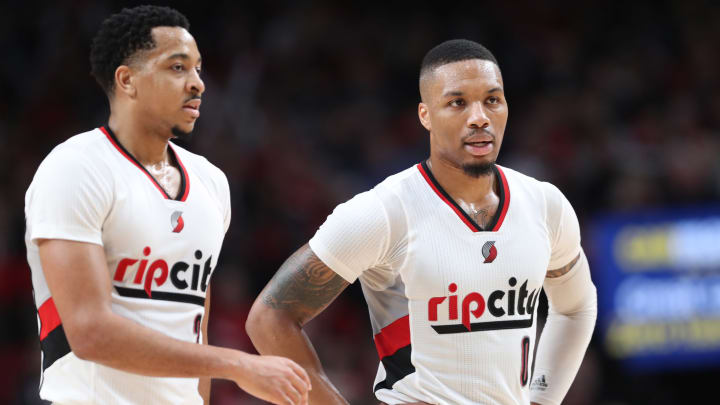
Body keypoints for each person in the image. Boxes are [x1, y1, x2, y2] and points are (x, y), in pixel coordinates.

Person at [246, 39, 597, 405]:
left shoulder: (544, 204)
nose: (479, 117)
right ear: (425, 114)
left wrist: (543, 400)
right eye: (457, 102)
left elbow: (576, 307)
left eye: (492, 100)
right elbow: (269, 318)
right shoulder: (384, 211)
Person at [24, 5, 310, 405]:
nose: (198, 84)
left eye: (198, 69)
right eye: (178, 68)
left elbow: (197, 324)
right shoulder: (75, 168)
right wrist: (238, 365)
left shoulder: (211, 182)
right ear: (127, 81)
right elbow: (88, 332)